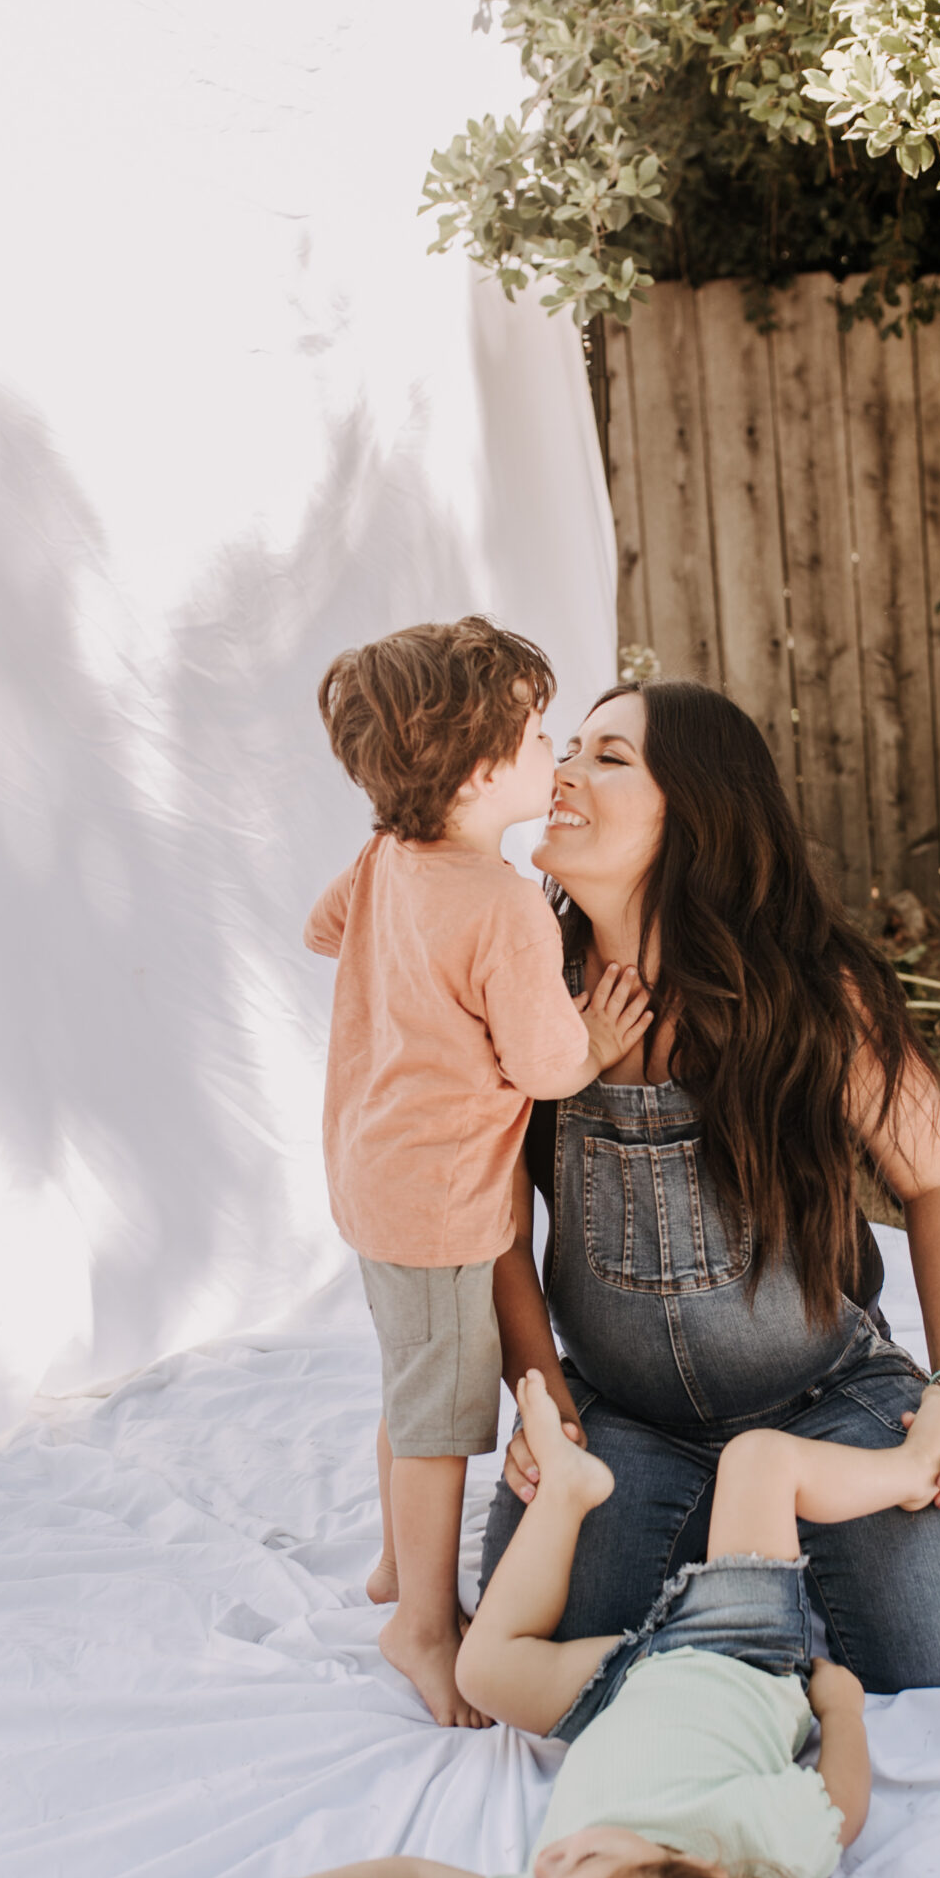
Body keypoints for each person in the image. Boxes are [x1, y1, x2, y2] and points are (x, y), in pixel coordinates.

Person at [228, 1370, 940, 1878]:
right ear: (695, 1872)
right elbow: (840, 1808)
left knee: (481, 1670)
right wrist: (840, 1711)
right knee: (757, 1461)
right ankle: (909, 1470)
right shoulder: (752, 1851)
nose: (546, 1865)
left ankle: (568, 1490)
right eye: (581, 1859)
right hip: (735, 1651)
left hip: (621, 1688)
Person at [484, 679, 940, 1694]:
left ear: (694, 810)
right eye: (572, 749)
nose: (563, 772)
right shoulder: (528, 996)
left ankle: (763, 1538)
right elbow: (500, 1237)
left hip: (821, 1399)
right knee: (553, 1646)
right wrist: (542, 1398)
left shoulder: (813, 991)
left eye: (609, 757)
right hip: (622, 1415)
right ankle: (734, 1556)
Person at [306, 618, 651, 1728]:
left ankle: (393, 1563)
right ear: (470, 768)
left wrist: (402, 970)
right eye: (536, 735)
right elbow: (549, 1068)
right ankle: (421, 1620)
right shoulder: (502, 905)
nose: (553, 754)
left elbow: (323, 931)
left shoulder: (384, 857)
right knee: (444, 1417)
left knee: (412, 1380)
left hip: (368, 1176)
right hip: (444, 1206)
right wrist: (595, 1039)